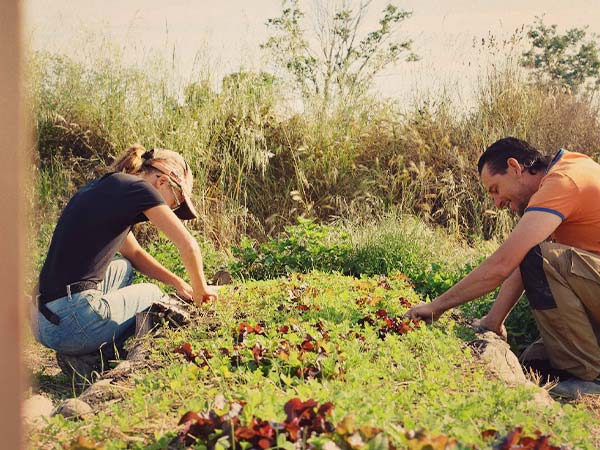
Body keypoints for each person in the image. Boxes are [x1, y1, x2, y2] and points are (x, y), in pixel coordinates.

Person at [407, 137, 600, 397]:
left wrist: (435, 306)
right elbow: (524, 262)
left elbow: (503, 264)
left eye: (495, 190)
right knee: (535, 364)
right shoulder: (567, 172)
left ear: (515, 167)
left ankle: (590, 380)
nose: (497, 204)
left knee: (538, 257)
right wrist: (493, 321)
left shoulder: (563, 181)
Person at [31, 144, 218, 376]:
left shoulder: (111, 187)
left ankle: (83, 349)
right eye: (176, 202)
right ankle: (100, 357)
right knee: (151, 293)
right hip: (71, 321)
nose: (173, 209)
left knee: (123, 267)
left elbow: (135, 255)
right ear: (162, 181)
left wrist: (179, 283)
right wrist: (200, 290)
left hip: (41, 320)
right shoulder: (140, 189)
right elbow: (188, 244)